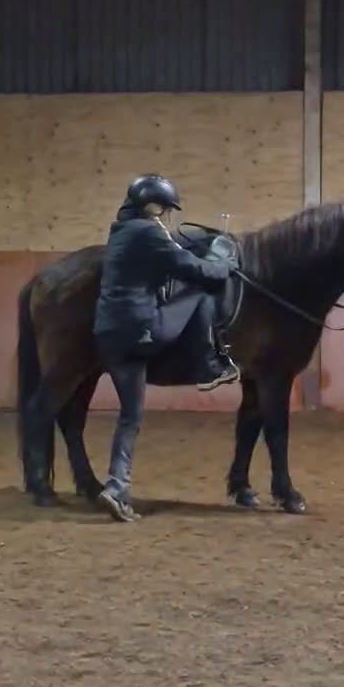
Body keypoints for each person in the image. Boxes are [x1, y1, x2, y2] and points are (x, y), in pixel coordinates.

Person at [93, 173, 240, 522]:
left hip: (108, 334)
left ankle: (117, 487)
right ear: (152, 205)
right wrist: (224, 265)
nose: (165, 215)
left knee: (131, 416)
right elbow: (193, 269)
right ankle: (210, 362)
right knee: (200, 293)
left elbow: (167, 253)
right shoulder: (149, 231)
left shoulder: (121, 230)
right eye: (163, 209)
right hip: (141, 330)